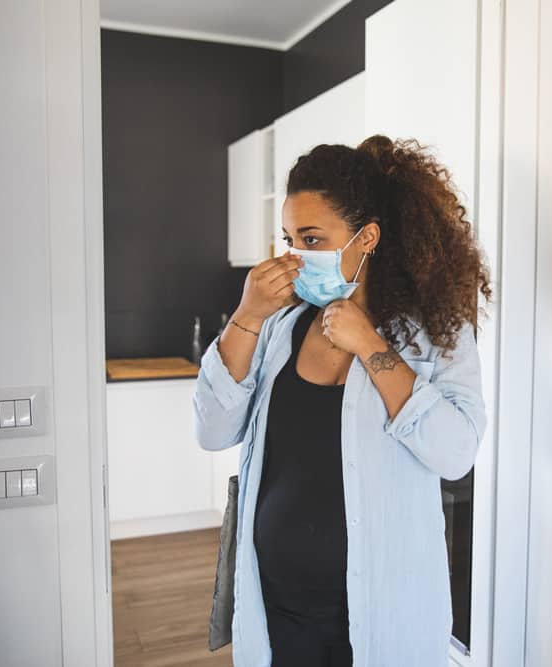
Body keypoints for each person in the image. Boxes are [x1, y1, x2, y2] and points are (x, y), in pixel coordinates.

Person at [193, 134, 493, 666]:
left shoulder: (429, 337)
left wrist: (371, 346)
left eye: (312, 239)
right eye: (288, 239)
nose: (296, 256)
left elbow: (456, 452)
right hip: (277, 605)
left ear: (366, 237)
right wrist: (249, 314)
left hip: (380, 610)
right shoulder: (279, 327)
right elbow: (213, 431)